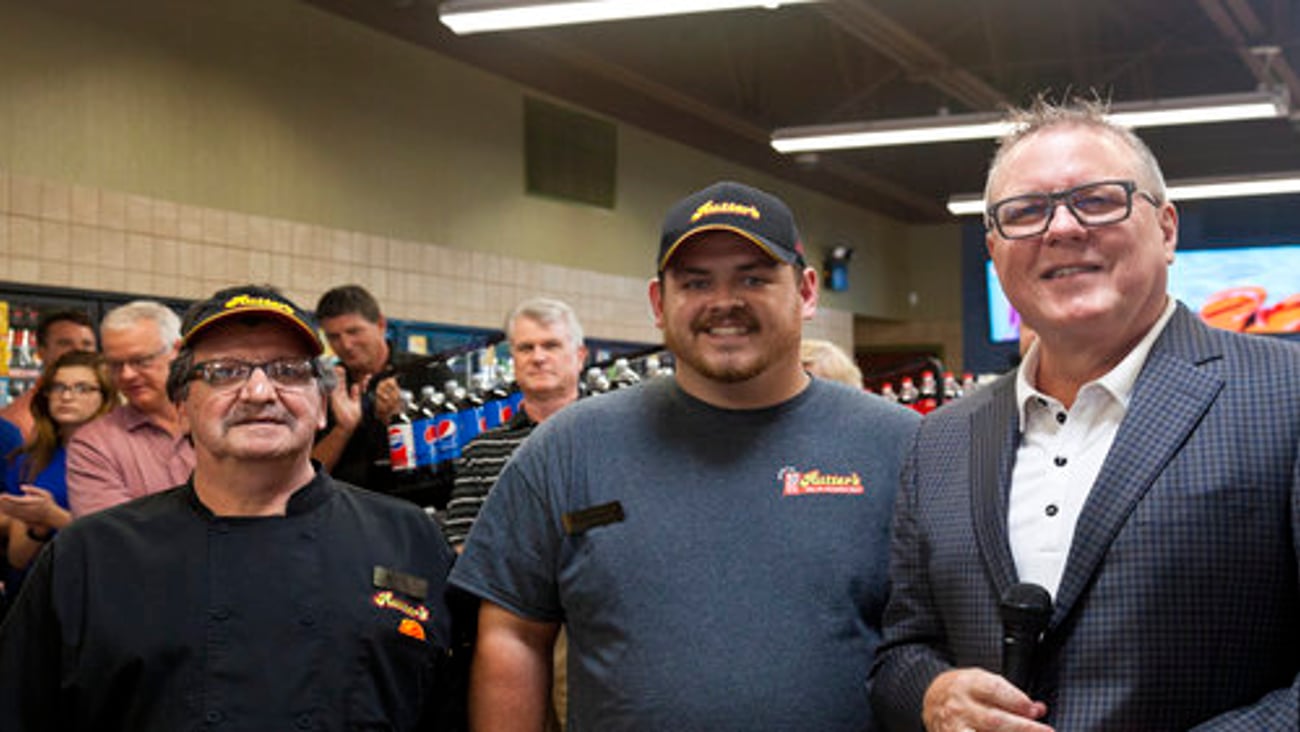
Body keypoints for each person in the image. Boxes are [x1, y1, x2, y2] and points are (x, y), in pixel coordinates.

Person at [869, 98, 1300, 731]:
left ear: (1168, 229)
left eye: (1098, 200)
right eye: (1025, 212)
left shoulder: (1285, 396)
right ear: (994, 248)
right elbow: (903, 649)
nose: (1062, 228)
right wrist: (933, 695)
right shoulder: (942, 438)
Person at [451, 180, 919, 731]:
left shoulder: (899, 445)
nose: (724, 302)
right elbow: (513, 634)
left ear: (807, 292)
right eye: (696, 282)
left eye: (754, 277)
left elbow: (938, 640)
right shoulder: (568, 449)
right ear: (658, 302)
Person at [0, 284, 460, 730]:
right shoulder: (92, 554)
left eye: (288, 371)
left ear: (322, 406)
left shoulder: (409, 538)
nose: (260, 392)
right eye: (224, 372)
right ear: (181, 408)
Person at [441, 297, 588, 551]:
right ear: (514, 360)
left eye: (551, 345)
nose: (538, 357)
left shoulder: (615, 434)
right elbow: (460, 544)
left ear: (579, 357)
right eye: (526, 348)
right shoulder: (479, 452)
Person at [312, 284, 454, 506]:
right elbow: (309, 474)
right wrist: (343, 429)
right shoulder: (326, 387)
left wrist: (398, 425)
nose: (346, 345)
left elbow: (453, 458)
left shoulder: (427, 372)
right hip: (345, 513)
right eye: (334, 337)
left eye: (353, 332)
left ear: (380, 324)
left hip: (417, 509)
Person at [65, 300, 194, 518]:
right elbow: (112, 537)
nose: (127, 375)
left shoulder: (220, 421)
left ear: (178, 352)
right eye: (115, 365)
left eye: (141, 361)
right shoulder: (94, 444)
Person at [2, 352, 117, 581]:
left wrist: (54, 517)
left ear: (105, 397)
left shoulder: (119, 458)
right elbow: (17, 558)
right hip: (33, 598)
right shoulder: (28, 461)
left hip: (92, 595)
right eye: (57, 387)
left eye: (82, 388)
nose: (66, 396)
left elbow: (121, 546)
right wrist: (38, 529)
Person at [0, 309, 97, 447]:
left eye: (86, 344)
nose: (78, 351)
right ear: (41, 352)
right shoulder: (18, 423)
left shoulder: (113, 410)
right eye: (65, 343)